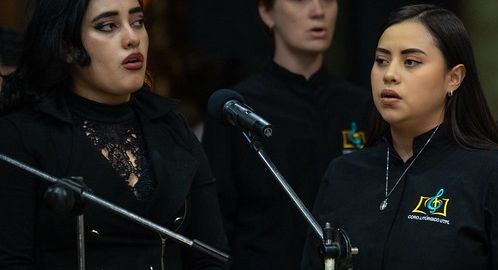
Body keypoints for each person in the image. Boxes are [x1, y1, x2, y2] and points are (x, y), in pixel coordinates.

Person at [301, 4, 498, 269]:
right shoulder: (344, 173)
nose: (390, 75)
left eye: (411, 62)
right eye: (381, 60)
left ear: (453, 78)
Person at [0, 0, 229, 269]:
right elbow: (12, 261)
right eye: (108, 26)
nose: (132, 38)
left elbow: (212, 256)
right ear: (66, 47)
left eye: (137, 22)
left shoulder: (172, 127)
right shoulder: (22, 135)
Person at [200, 0, 371, 269]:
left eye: (327, 0)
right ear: (267, 12)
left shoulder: (361, 106)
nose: (318, 11)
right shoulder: (236, 110)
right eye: (300, 0)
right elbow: (214, 224)